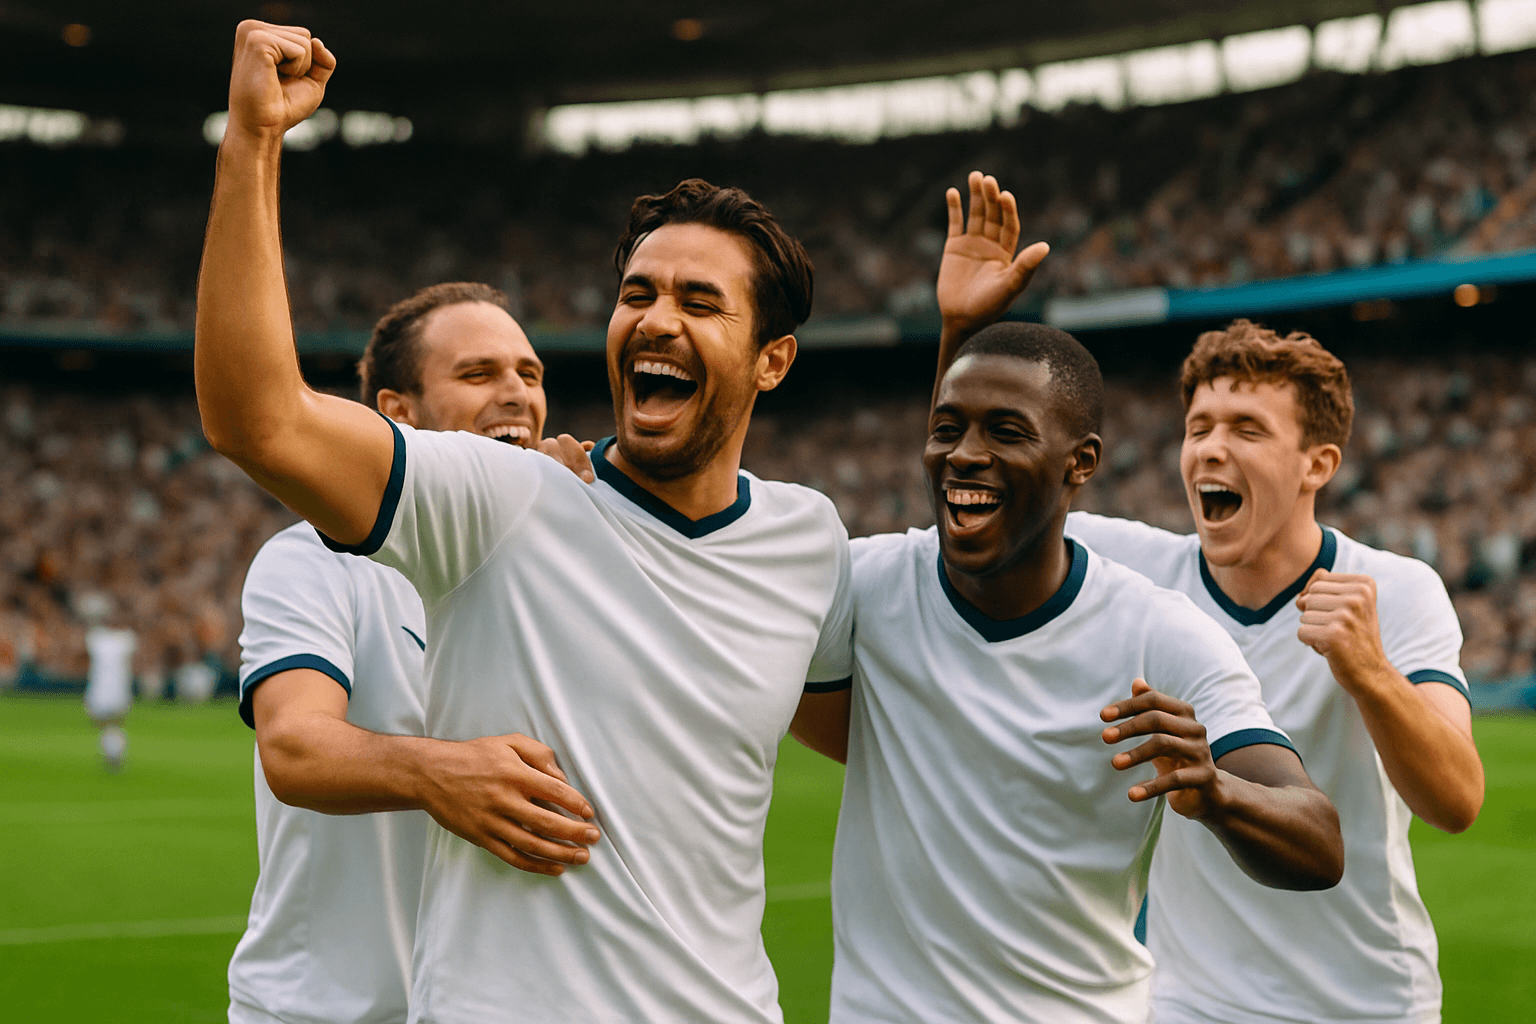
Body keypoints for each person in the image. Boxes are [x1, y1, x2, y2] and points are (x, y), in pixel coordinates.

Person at [197, 22, 852, 1024]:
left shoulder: (809, 540)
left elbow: (906, 715)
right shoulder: (502, 503)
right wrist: (253, 144)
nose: (656, 318)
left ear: (774, 359)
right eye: (637, 293)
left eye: (700, 301)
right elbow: (261, 419)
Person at [938, 175, 1485, 1024]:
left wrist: (1370, 671)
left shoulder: (1394, 590)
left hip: (1367, 1003)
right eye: (1199, 428)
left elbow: (1456, 801)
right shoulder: (1135, 570)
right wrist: (962, 330)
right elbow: (975, 507)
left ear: (1318, 467)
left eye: (1247, 430)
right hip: (1186, 1002)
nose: (1210, 450)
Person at [824, 308, 1343, 1023]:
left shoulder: (1159, 636)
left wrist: (1219, 792)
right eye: (948, 429)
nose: (965, 453)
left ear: (1082, 463)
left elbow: (1318, 842)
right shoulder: (861, 586)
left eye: (1007, 431)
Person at [228, 281, 599, 1024]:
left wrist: (580, 544)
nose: (517, 394)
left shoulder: (571, 565)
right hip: (324, 1013)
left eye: (530, 374)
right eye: (478, 374)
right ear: (396, 411)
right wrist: (438, 774)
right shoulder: (315, 558)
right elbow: (295, 747)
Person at [80, 593, 136, 772]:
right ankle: (114, 753)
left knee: (108, 723)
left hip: (108, 688)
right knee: (110, 724)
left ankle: (113, 754)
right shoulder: (109, 638)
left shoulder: (121, 638)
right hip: (112, 688)